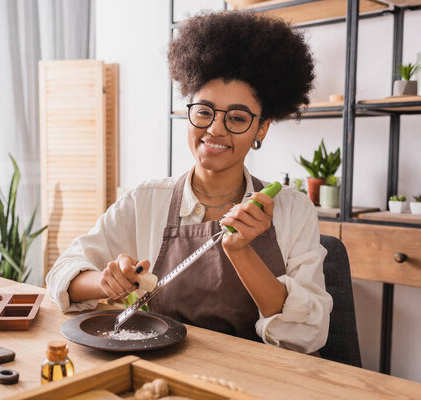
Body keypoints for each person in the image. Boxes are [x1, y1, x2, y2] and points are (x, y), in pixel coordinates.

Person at [46, 11, 332, 354]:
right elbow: (61, 275)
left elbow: (307, 334)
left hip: (256, 377)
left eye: (238, 118)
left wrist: (240, 251)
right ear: (188, 113)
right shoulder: (144, 201)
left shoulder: (292, 210)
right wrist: (106, 283)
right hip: (160, 368)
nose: (215, 129)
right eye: (204, 112)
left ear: (262, 128)